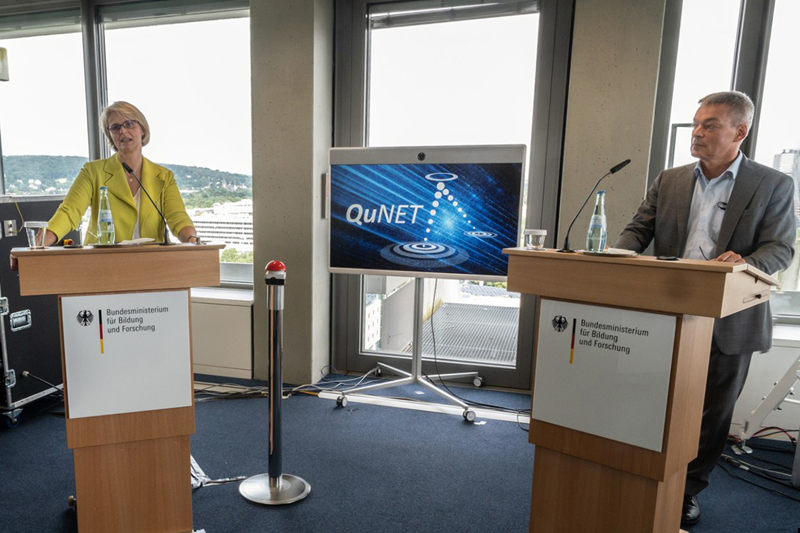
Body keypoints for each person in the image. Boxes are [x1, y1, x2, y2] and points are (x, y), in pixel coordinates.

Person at [613, 91, 796, 526]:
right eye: (696, 123)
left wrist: (745, 263)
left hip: (731, 315)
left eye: (710, 125)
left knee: (712, 412)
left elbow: (781, 247)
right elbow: (639, 229)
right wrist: (616, 258)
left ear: (740, 132)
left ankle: (687, 490)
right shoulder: (670, 179)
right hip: (667, 311)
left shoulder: (773, 184)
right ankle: (646, 475)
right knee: (655, 401)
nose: (697, 132)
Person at [42, 101, 198, 246]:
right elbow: (69, 212)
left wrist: (192, 240)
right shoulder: (92, 172)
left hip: (152, 264)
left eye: (129, 124)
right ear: (110, 136)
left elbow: (178, 219)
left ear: (142, 130)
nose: (123, 131)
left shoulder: (164, 177)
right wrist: (39, 244)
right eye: (115, 128)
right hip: (103, 264)